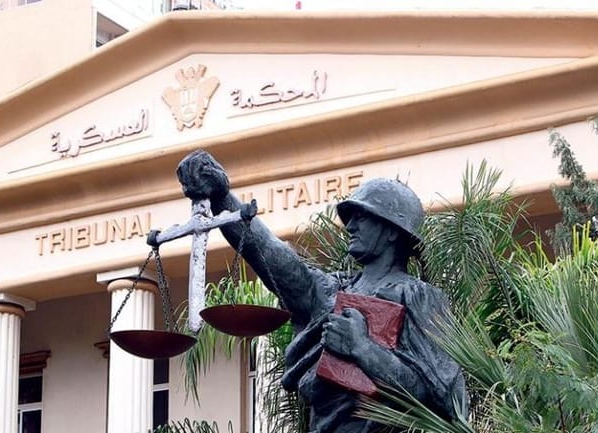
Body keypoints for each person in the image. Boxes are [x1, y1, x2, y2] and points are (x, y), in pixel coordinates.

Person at [177, 150, 466, 433]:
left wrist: (363, 349)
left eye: (361, 217)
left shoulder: (419, 297)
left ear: (392, 231)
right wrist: (222, 197)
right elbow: (270, 254)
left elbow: (446, 396)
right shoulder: (331, 290)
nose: (350, 226)